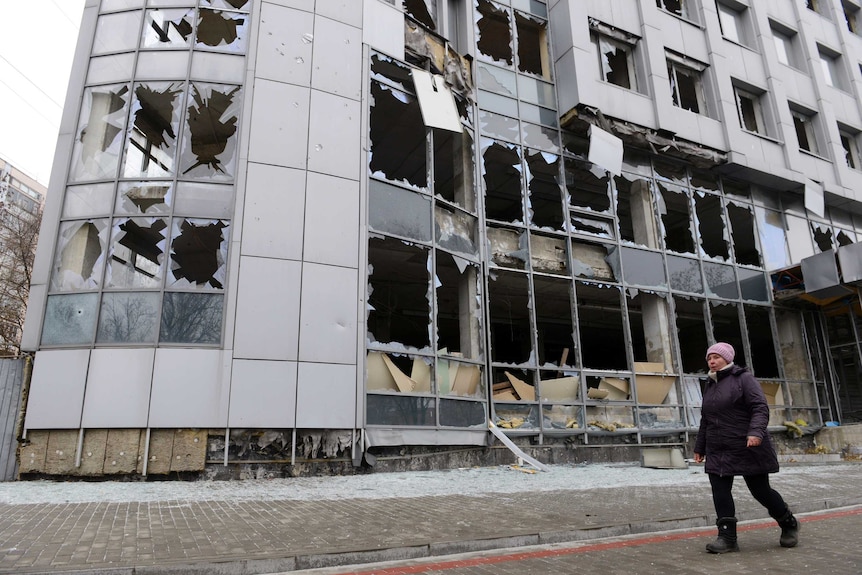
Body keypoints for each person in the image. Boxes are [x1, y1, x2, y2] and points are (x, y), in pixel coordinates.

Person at [693, 342, 799, 553]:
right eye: (709, 358)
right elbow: (706, 418)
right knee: (720, 491)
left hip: (747, 445)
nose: (712, 361)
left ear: (727, 358)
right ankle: (727, 537)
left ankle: (788, 523)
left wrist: (755, 432)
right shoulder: (710, 383)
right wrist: (700, 446)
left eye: (716, 357)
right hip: (718, 448)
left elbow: (759, 407)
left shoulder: (743, 378)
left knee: (761, 491)